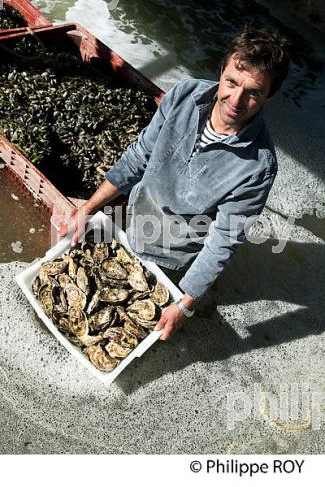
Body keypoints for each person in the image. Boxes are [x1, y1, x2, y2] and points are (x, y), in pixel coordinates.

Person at [58, 24, 289, 342]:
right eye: (231, 82)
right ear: (221, 71)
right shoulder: (184, 95)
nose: (236, 100)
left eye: (253, 93)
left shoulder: (258, 166)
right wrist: (88, 207)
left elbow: (223, 241)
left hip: (171, 254)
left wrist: (185, 304)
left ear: (268, 97)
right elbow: (139, 156)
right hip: (132, 219)